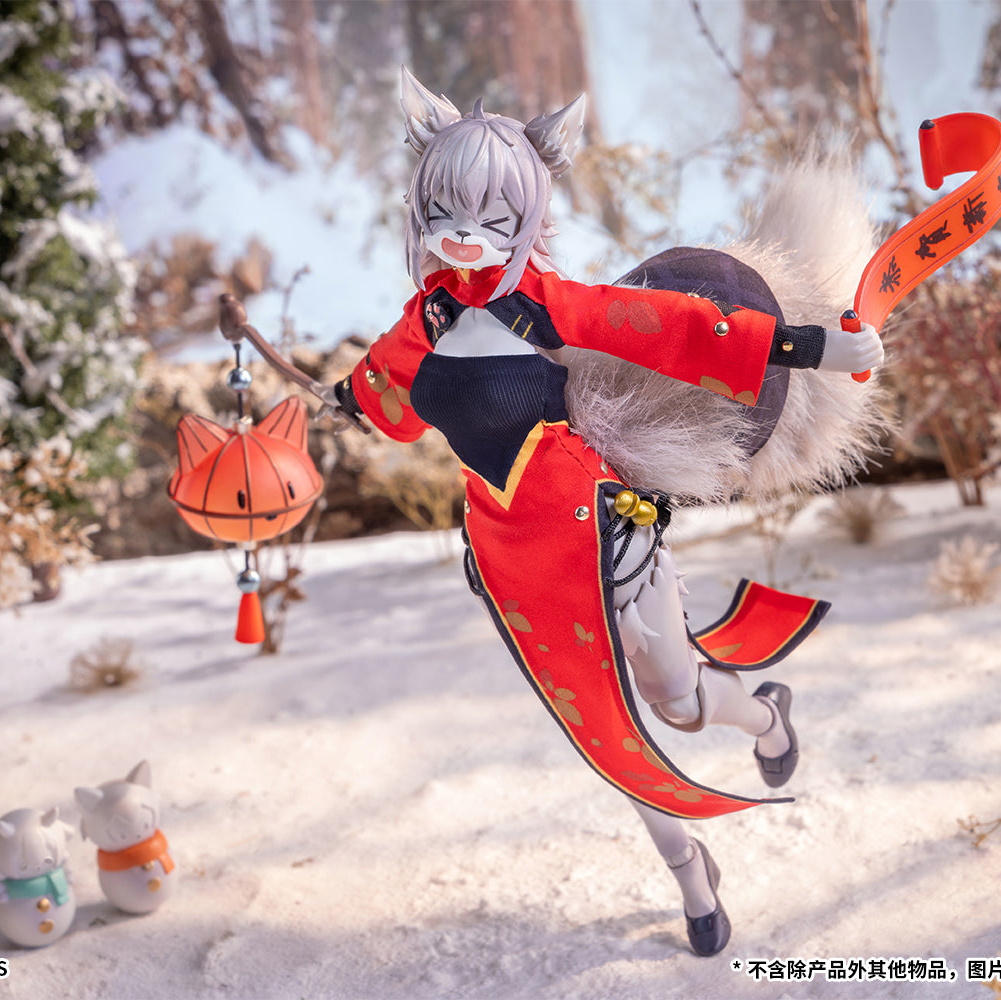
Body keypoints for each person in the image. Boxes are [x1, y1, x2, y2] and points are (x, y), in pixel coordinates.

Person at [315, 69, 884, 956]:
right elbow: (386, 395)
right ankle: (690, 870)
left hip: (604, 534)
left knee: (677, 700)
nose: (464, 233)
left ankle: (765, 714)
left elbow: (676, 327)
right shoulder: (424, 318)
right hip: (511, 560)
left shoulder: (548, 308)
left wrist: (808, 346)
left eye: (493, 215)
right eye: (446, 210)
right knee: (599, 720)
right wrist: (341, 398)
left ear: (527, 214)